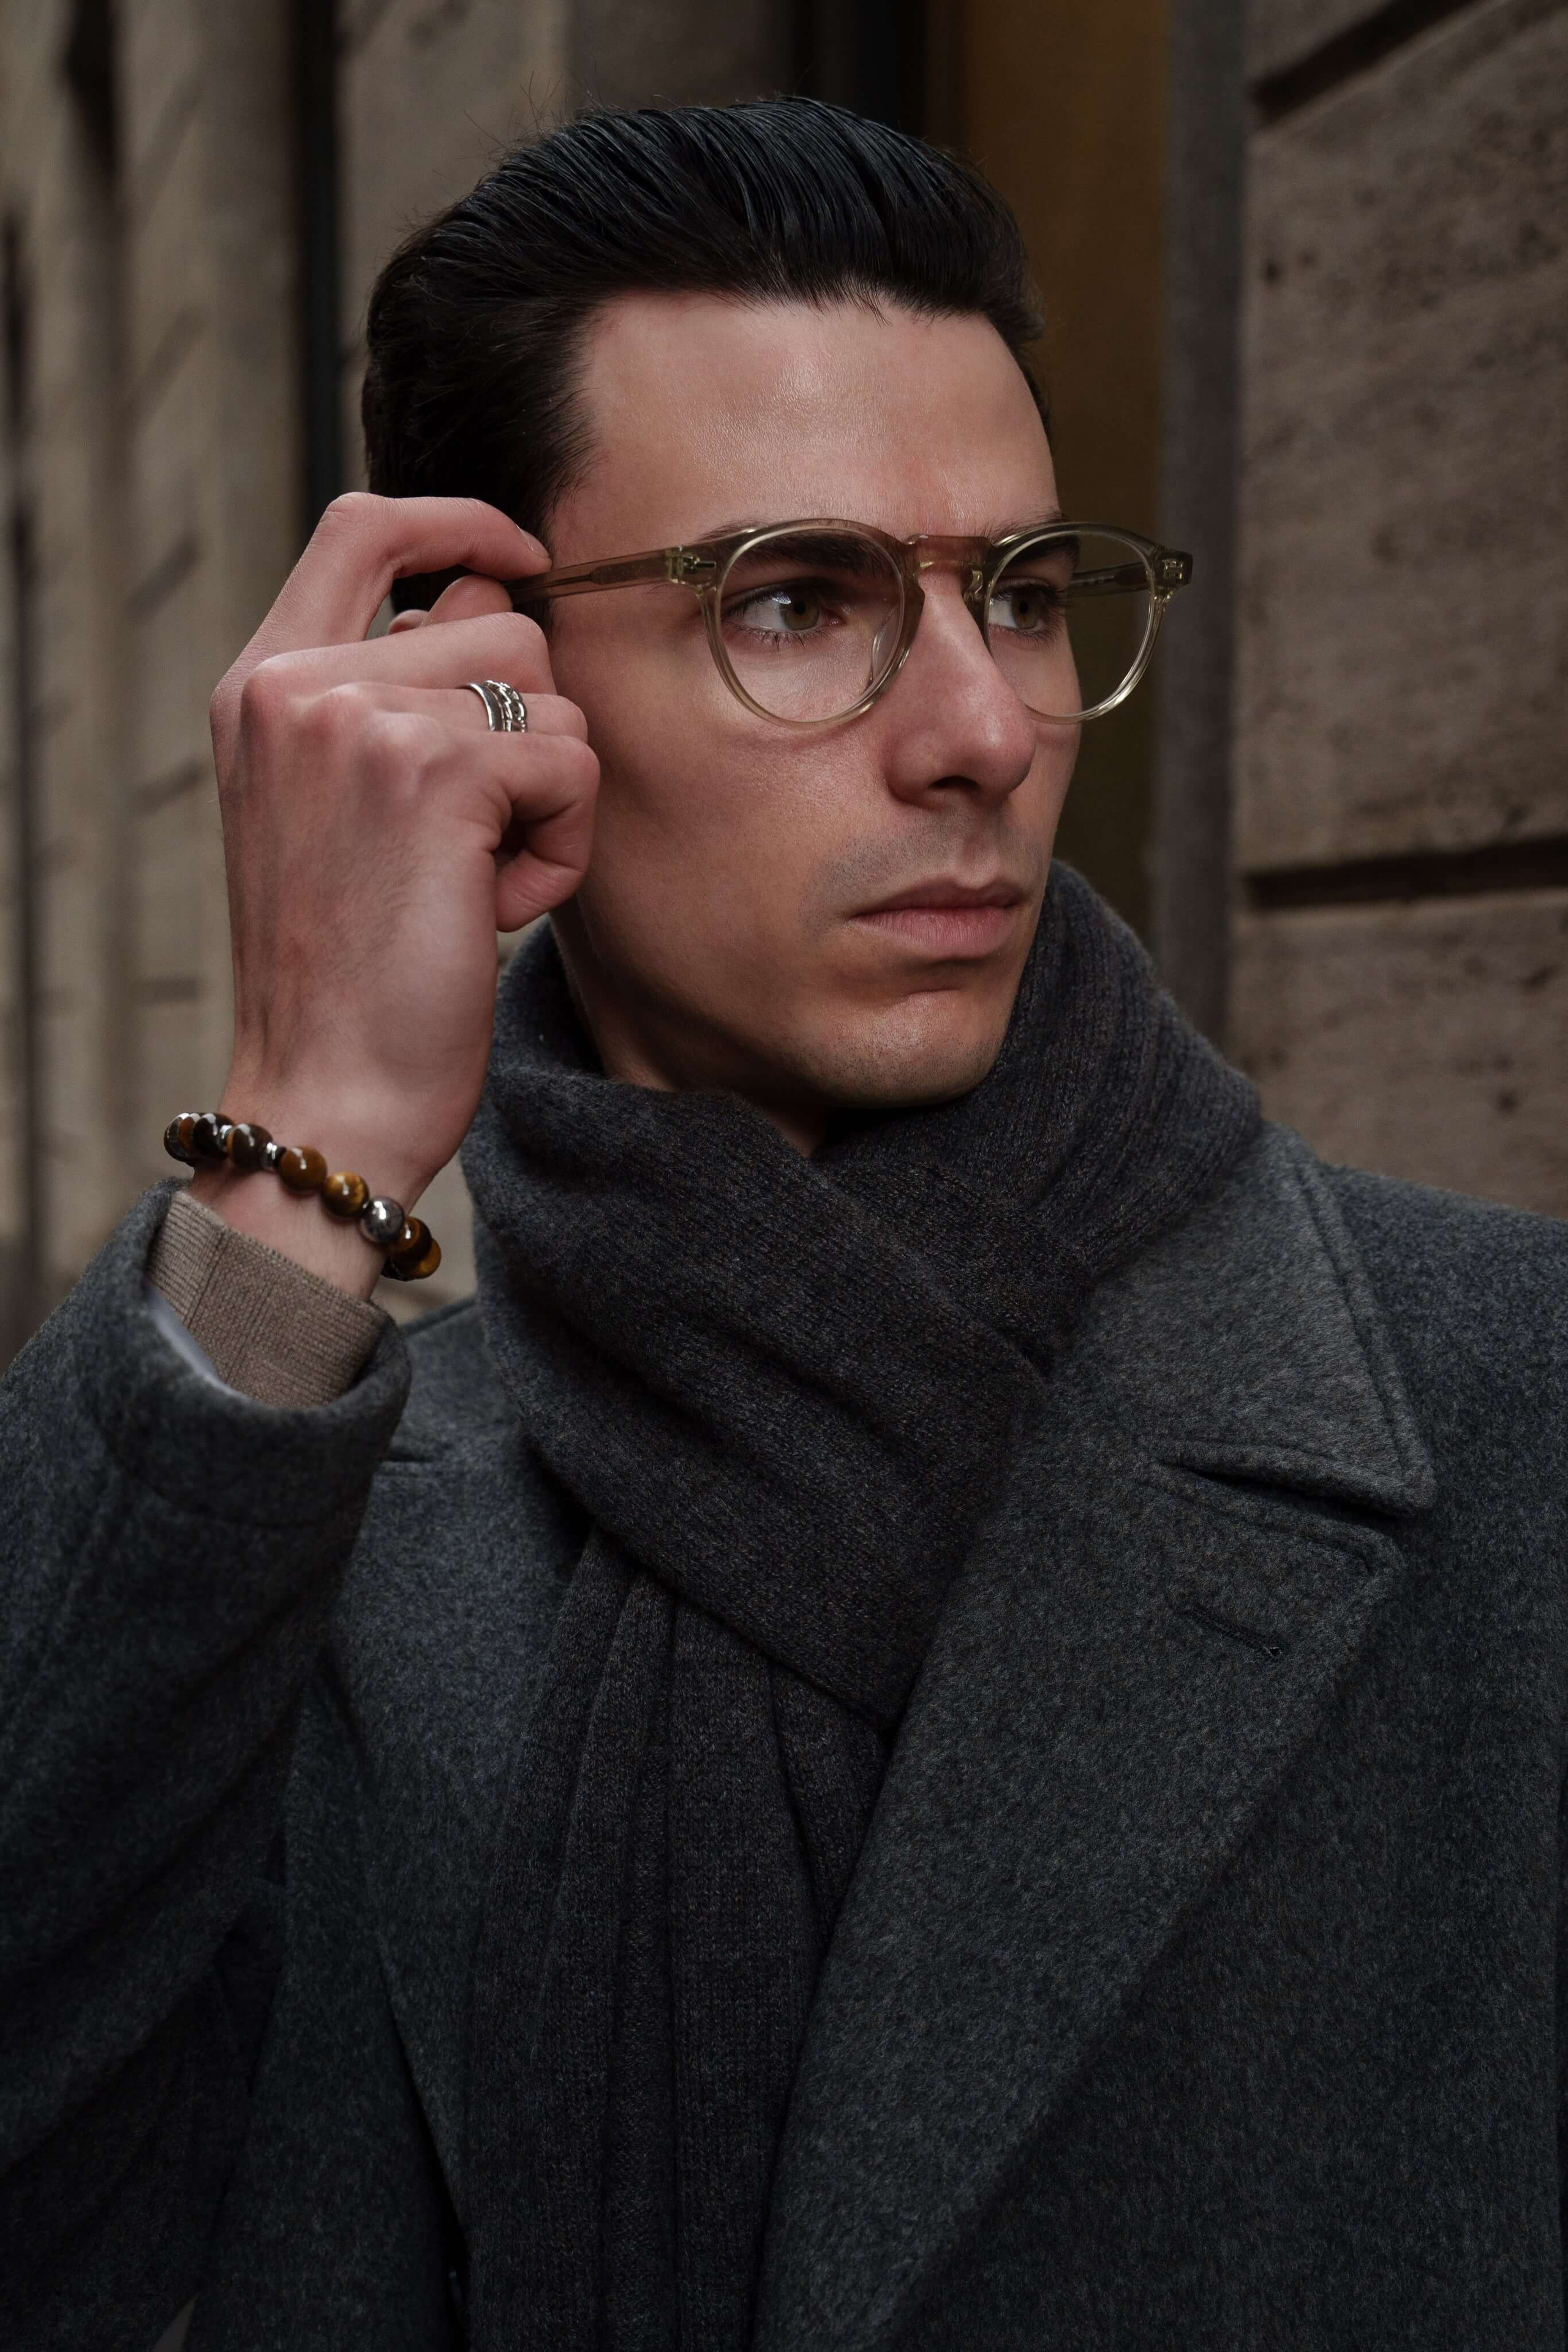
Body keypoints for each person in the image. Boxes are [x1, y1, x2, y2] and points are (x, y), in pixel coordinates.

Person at [1, 97, 1564, 2352]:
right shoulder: (283, 1525)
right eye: (800, 602)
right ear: (487, 684)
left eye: (1022, 594)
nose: (982, 731)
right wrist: (302, 1142)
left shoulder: (1509, 1417)